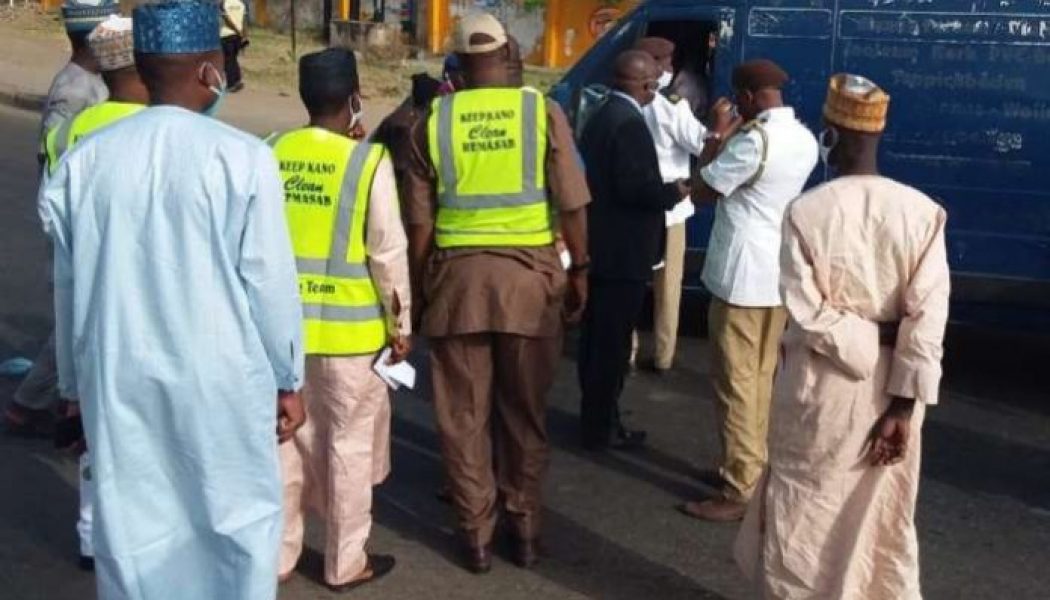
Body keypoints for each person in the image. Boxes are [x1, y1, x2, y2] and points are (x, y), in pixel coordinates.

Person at [40, 1, 306, 598]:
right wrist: (288, 379)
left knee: (134, 525)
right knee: (233, 524)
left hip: (120, 375)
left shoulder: (86, 163)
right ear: (209, 68)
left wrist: (73, 390)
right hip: (221, 380)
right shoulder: (243, 159)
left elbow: (70, 287)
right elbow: (269, 284)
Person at [734, 73, 950, 599]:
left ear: (831, 135)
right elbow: (929, 319)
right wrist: (901, 405)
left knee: (805, 510)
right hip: (897, 390)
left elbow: (808, 313)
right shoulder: (923, 212)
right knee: (881, 516)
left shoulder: (807, 212)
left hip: (822, 386)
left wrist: (860, 347)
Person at [403, 12, 590, 574]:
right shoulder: (540, 110)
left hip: (457, 290)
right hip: (529, 289)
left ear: (458, 62)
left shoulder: (431, 121)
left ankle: (476, 537)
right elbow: (574, 203)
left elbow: (420, 226)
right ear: (506, 52)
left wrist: (419, 291)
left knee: (462, 420)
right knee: (524, 416)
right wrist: (580, 270)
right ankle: (525, 530)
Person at [273, 48, 410, 591]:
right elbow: (388, 254)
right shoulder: (367, 162)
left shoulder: (270, 150)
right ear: (354, 98)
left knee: (284, 446)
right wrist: (401, 328)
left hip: (279, 338)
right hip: (351, 340)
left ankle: (279, 556)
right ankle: (344, 562)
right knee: (347, 448)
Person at [680, 59, 818, 522]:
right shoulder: (802, 137)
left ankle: (739, 488)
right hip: (775, 275)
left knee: (735, 384)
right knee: (760, 380)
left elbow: (703, 190)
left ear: (749, 96)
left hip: (740, 277)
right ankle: (750, 468)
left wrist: (716, 136)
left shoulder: (753, 141)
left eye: (738, 97)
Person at [38, 15, 149, 572]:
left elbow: (50, 213)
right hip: (138, 295)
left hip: (79, 280)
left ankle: (90, 535)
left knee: (86, 413)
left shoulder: (70, 130)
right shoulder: (155, 128)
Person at [2, 0, 120, 438]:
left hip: (82, 218)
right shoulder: (74, 90)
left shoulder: (91, 82)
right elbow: (55, 160)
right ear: (94, 37)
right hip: (70, 221)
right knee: (73, 323)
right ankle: (26, 405)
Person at [576, 50, 690, 451]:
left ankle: (597, 418)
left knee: (596, 341)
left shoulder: (602, 115)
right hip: (623, 253)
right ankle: (601, 427)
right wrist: (672, 192)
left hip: (602, 246)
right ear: (643, 86)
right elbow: (635, 188)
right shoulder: (628, 124)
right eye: (652, 85)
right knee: (611, 345)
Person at [633, 36, 711, 374]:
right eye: (667, 61)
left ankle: (628, 349)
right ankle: (663, 356)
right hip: (672, 211)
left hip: (636, 207)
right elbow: (701, 144)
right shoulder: (672, 104)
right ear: (662, 63)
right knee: (669, 289)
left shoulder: (625, 98)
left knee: (633, 282)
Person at [220, 0, 247, 92]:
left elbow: (226, 19)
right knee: (233, 58)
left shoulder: (224, 3)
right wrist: (243, 35)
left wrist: (236, 30)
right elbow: (243, 21)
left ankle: (231, 83)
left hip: (226, 35)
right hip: (238, 36)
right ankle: (237, 80)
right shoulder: (241, 4)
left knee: (228, 60)